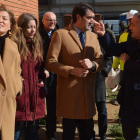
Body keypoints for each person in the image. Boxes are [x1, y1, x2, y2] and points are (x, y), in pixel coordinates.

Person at [46, 2, 104, 140]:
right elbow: (50, 63)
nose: (93, 21)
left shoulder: (93, 36)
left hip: (87, 99)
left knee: (87, 135)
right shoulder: (60, 34)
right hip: (69, 99)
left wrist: (93, 65)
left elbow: (101, 60)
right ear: (78, 17)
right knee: (68, 135)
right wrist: (72, 70)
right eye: (89, 17)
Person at [94, 12, 140, 140]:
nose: (129, 27)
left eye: (133, 24)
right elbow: (113, 49)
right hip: (129, 100)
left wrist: (128, 63)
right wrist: (103, 35)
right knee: (129, 133)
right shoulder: (131, 41)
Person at [14, 13, 46, 140]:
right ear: (21, 28)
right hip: (20, 95)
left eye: (34, 27)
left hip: (35, 95)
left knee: (32, 133)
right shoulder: (14, 45)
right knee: (14, 133)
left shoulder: (37, 44)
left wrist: (43, 75)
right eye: (29, 27)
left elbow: (40, 67)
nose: (33, 30)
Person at [0, 4, 22, 140]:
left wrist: (16, 87)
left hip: (7, 102)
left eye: (4, 18)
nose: (0, 20)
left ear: (10, 25)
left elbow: (18, 72)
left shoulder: (13, 46)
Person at [40, 11, 57, 140]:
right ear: (43, 21)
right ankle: (33, 131)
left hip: (54, 76)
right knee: (38, 104)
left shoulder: (59, 35)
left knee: (52, 106)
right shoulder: (37, 35)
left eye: (54, 20)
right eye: (49, 20)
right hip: (39, 74)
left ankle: (50, 133)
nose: (52, 23)